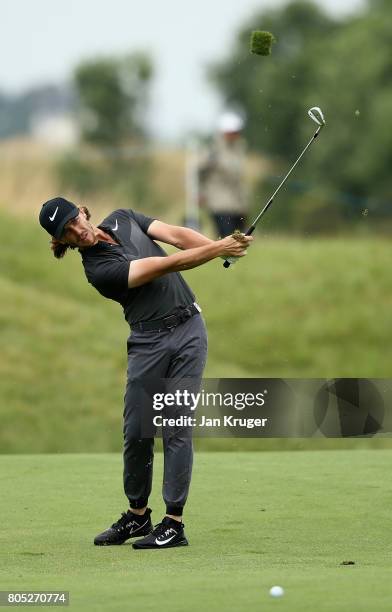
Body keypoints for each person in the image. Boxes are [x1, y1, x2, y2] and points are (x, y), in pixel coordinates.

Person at [39, 197, 252, 550]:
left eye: (75, 220)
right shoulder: (98, 272)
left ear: (82, 210)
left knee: (176, 425)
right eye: (67, 232)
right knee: (137, 430)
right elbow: (161, 265)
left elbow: (176, 236)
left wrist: (225, 250)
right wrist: (218, 248)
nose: (78, 230)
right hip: (147, 341)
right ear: (62, 242)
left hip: (189, 330)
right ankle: (138, 515)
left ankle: (174, 522)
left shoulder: (124, 218)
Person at [198, 112, 248, 237]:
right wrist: (200, 193)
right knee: (225, 238)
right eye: (231, 132)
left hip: (238, 204)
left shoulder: (240, 147)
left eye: (236, 132)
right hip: (219, 203)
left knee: (239, 239)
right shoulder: (213, 151)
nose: (234, 135)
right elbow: (200, 172)